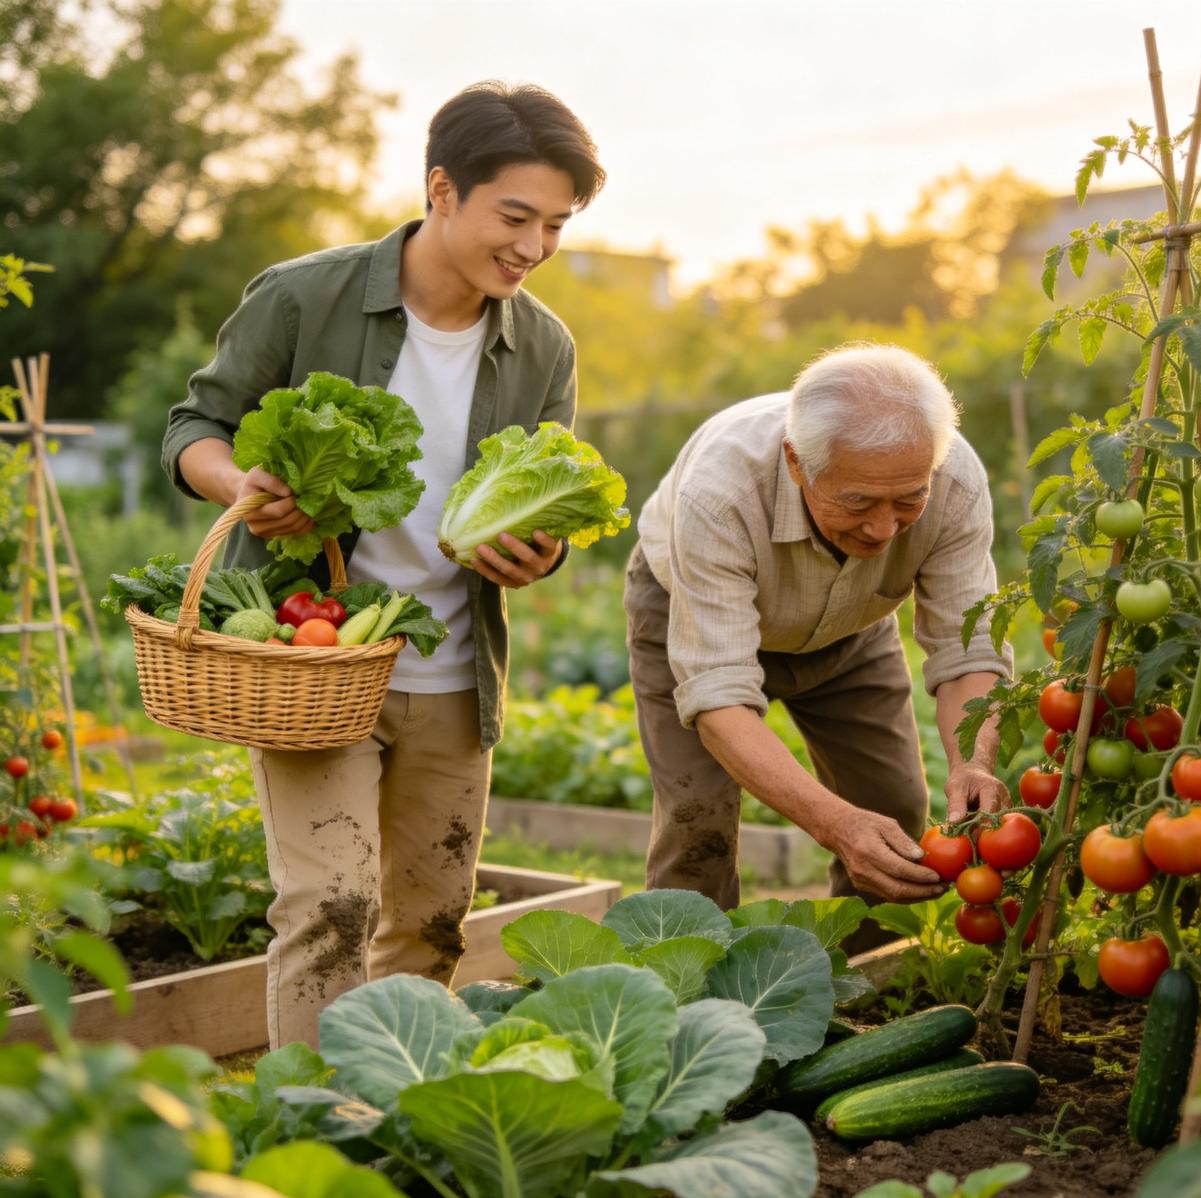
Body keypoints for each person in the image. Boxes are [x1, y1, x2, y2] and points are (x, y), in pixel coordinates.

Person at [163, 82, 605, 1049]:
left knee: (432, 921)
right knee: (328, 905)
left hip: (451, 672)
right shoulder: (303, 295)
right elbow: (195, 424)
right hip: (316, 662)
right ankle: (310, 1134)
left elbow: (554, 494)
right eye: (516, 216)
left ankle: (392, 1122)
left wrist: (538, 555)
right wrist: (238, 481)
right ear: (442, 190)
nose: (534, 248)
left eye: (557, 227)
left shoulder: (543, 347)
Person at [625, 343, 1013, 925]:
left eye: (909, 499)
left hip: (851, 629)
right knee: (696, 823)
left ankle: (860, 984)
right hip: (691, 617)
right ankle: (687, 997)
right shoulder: (719, 491)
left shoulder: (952, 476)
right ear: (796, 461)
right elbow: (720, 696)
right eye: (857, 501)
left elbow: (968, 647)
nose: (884, 528)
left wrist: (975, 761)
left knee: (894, 807)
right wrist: (835, 826)